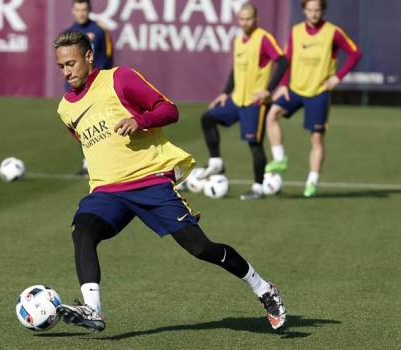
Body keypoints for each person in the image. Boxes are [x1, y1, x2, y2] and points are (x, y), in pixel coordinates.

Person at [53, 31, 286, 332]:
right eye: (61, 66)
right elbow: (86, 141)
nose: (67, 71)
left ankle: (265, 289)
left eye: (71, 63)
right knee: (82, 231)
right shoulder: (65, 107)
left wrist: (139, 121)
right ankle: (93, 310)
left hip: (149, 182)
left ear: (88, 57)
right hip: (107, 191)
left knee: (201, 248)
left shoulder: (120, 78)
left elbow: (169, 109)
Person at [265, 0, 361, 197]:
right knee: (272, 114)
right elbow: (288, 59)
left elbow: (355, 53)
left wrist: (337, 77)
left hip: (319, 91)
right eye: (310, 10)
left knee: (316, 138)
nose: (314, 14)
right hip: (295, 89)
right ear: (304, 10)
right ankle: (280, 159)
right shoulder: (296, 31)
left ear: (322, 10)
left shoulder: (332, 32)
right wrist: (283, 85)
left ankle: (312, 181)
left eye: (317, 10)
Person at [198, 3, 288, 200]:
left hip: (255, 103)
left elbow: (282, 61)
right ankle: (216, 162)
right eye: (241, 19)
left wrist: (268, 89)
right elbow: (235, 69)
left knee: (254, 145)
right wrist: (224, 93)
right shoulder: (239, 40)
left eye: (248, 19)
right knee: (207, 118)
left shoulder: (264, 38)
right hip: (236, 99)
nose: (244, 22)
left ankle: (258, 187)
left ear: (256, 18)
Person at [65, 0, 113, 177]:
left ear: (89, 10)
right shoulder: (68, 33)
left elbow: (108, 56)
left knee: (103, 123)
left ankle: (106, 162)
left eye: (84, 9)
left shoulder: (100, 30)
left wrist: (101, 79)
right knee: (81, 125)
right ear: (73, 11)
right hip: (77, 87)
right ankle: (88, 163)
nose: (81, 13)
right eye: (78, 10)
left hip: (97, 84)